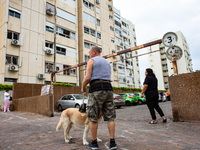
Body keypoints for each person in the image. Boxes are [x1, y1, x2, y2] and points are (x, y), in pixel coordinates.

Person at [81, 46, 117, 150]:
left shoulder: (91, 61)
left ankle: (94, 143)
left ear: (94, 52)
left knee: (93, 117)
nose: (88, 54)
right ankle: (113, 143)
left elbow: (87, 77)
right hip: (109, 88)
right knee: (110, 117)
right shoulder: (106, 62)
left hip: (96, 88)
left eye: (89, 52)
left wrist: (83, 87)